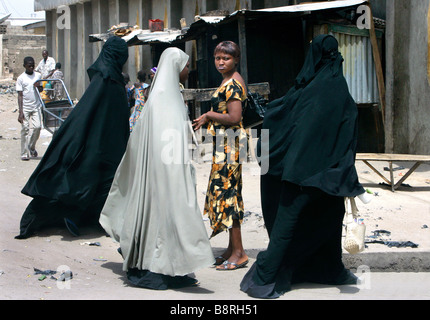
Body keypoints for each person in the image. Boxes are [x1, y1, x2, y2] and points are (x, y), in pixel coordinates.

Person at [240, 35, 366, 299]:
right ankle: (321, 270)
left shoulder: (304, 90)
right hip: (328, 175)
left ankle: (280, 275)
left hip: (298, 174)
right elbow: (348, 134)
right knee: (329, 221)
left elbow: (279, 118)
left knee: (291, 225)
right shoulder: (338, 87)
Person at [99, 47, 214, 290]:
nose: (187, 70)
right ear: (175, 67)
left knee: (168, 221)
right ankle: (156, 268)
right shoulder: (164, 100)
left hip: (167, 172)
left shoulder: (167, 96)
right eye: (185, 65)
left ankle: (172, 267)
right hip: (164, 176)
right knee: (166, 220)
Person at [15, 36, 130, 239]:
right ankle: (76, 216)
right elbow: (90, 114)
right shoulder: (106, 80)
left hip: (106, 145)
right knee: (95, 180)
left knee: (103, 181)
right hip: (100, 145)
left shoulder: (109, 78)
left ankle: (93, 219)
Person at [193, 41, 248, 271]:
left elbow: (234, 117)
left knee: (228, 196)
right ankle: (230, 249)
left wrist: (208, 115)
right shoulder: (227, 80)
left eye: (226, 58)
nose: (220, 62)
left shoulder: (233, 83)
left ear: (236, 60)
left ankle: (240, 253)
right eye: (217, 58)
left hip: (231, 146)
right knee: (227, 195)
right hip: (225, 145)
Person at [16, 56, 43, 161]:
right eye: (29, 65)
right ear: (24, 66)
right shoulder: (21, 78)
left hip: (36, 106)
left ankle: (31, 147)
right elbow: (20, 95)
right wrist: (20, 112)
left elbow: (41, 89)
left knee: (37, 127)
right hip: (25, 108)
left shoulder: (38, 75)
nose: (31, 67)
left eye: (33, 64)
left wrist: (38, 86)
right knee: (25, 129)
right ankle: (24, 153)